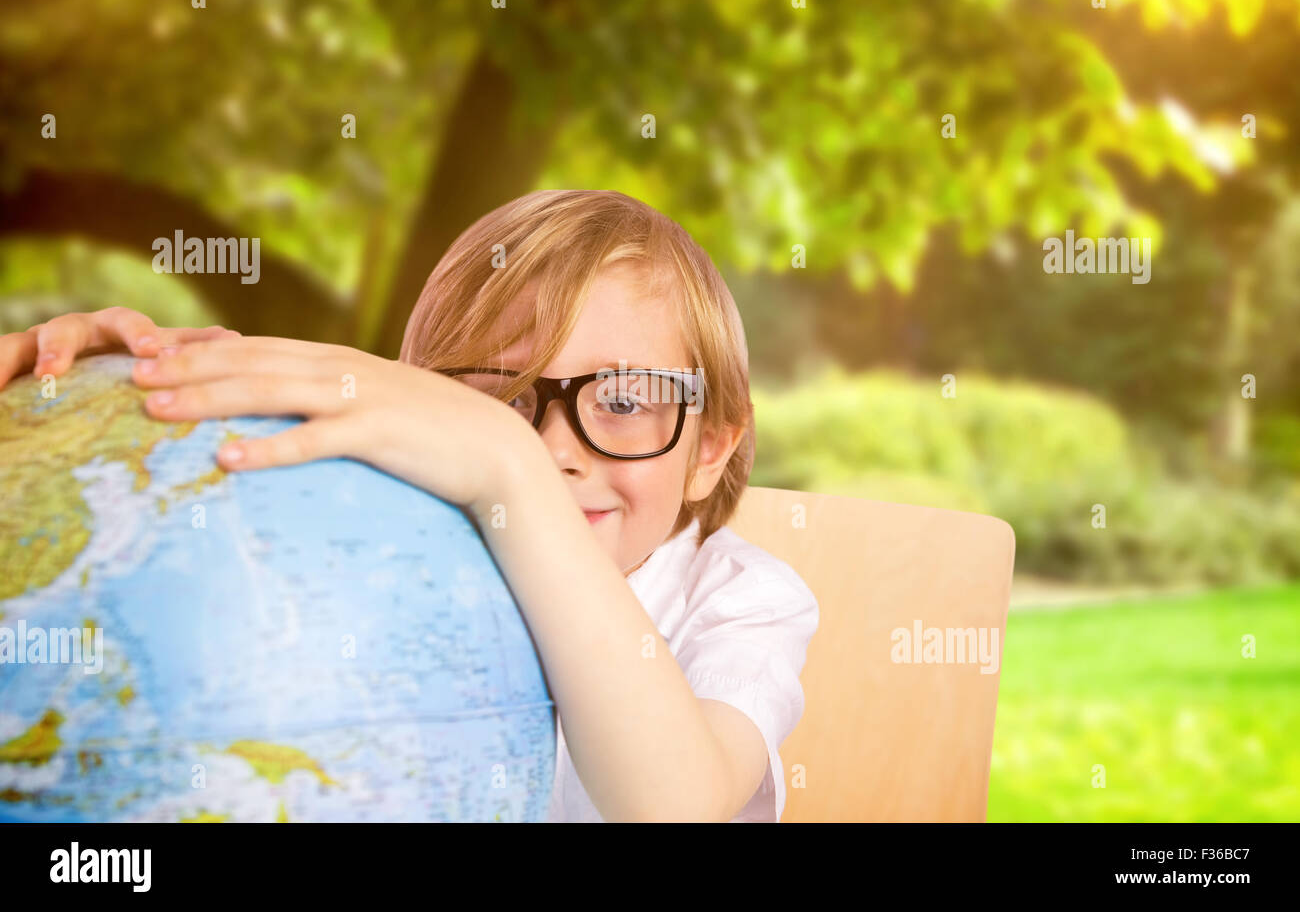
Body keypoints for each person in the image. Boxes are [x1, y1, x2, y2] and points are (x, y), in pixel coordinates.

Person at [0, 189, 819, 822]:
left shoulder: (742, 600)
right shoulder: (392, 535)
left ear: (711, 447)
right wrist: (108, 403)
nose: (554, 453)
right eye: (497, 403)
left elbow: (673, 805)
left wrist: (507, 468)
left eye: (628, 402)